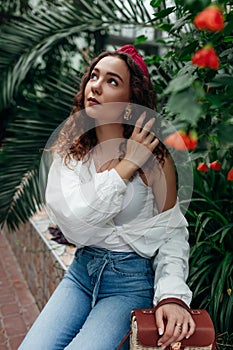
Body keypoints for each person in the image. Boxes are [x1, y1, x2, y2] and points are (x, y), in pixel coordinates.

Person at [19, 44, 195, 350]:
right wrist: (127, 166)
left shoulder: (156, 159)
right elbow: (75, 222)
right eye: (94, 77)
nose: (97, 86)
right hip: (81, 275)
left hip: (130, 284)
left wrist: (171, 296)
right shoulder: (71, 151)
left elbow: (172, 232)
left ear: (130, 103)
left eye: (112, 81)